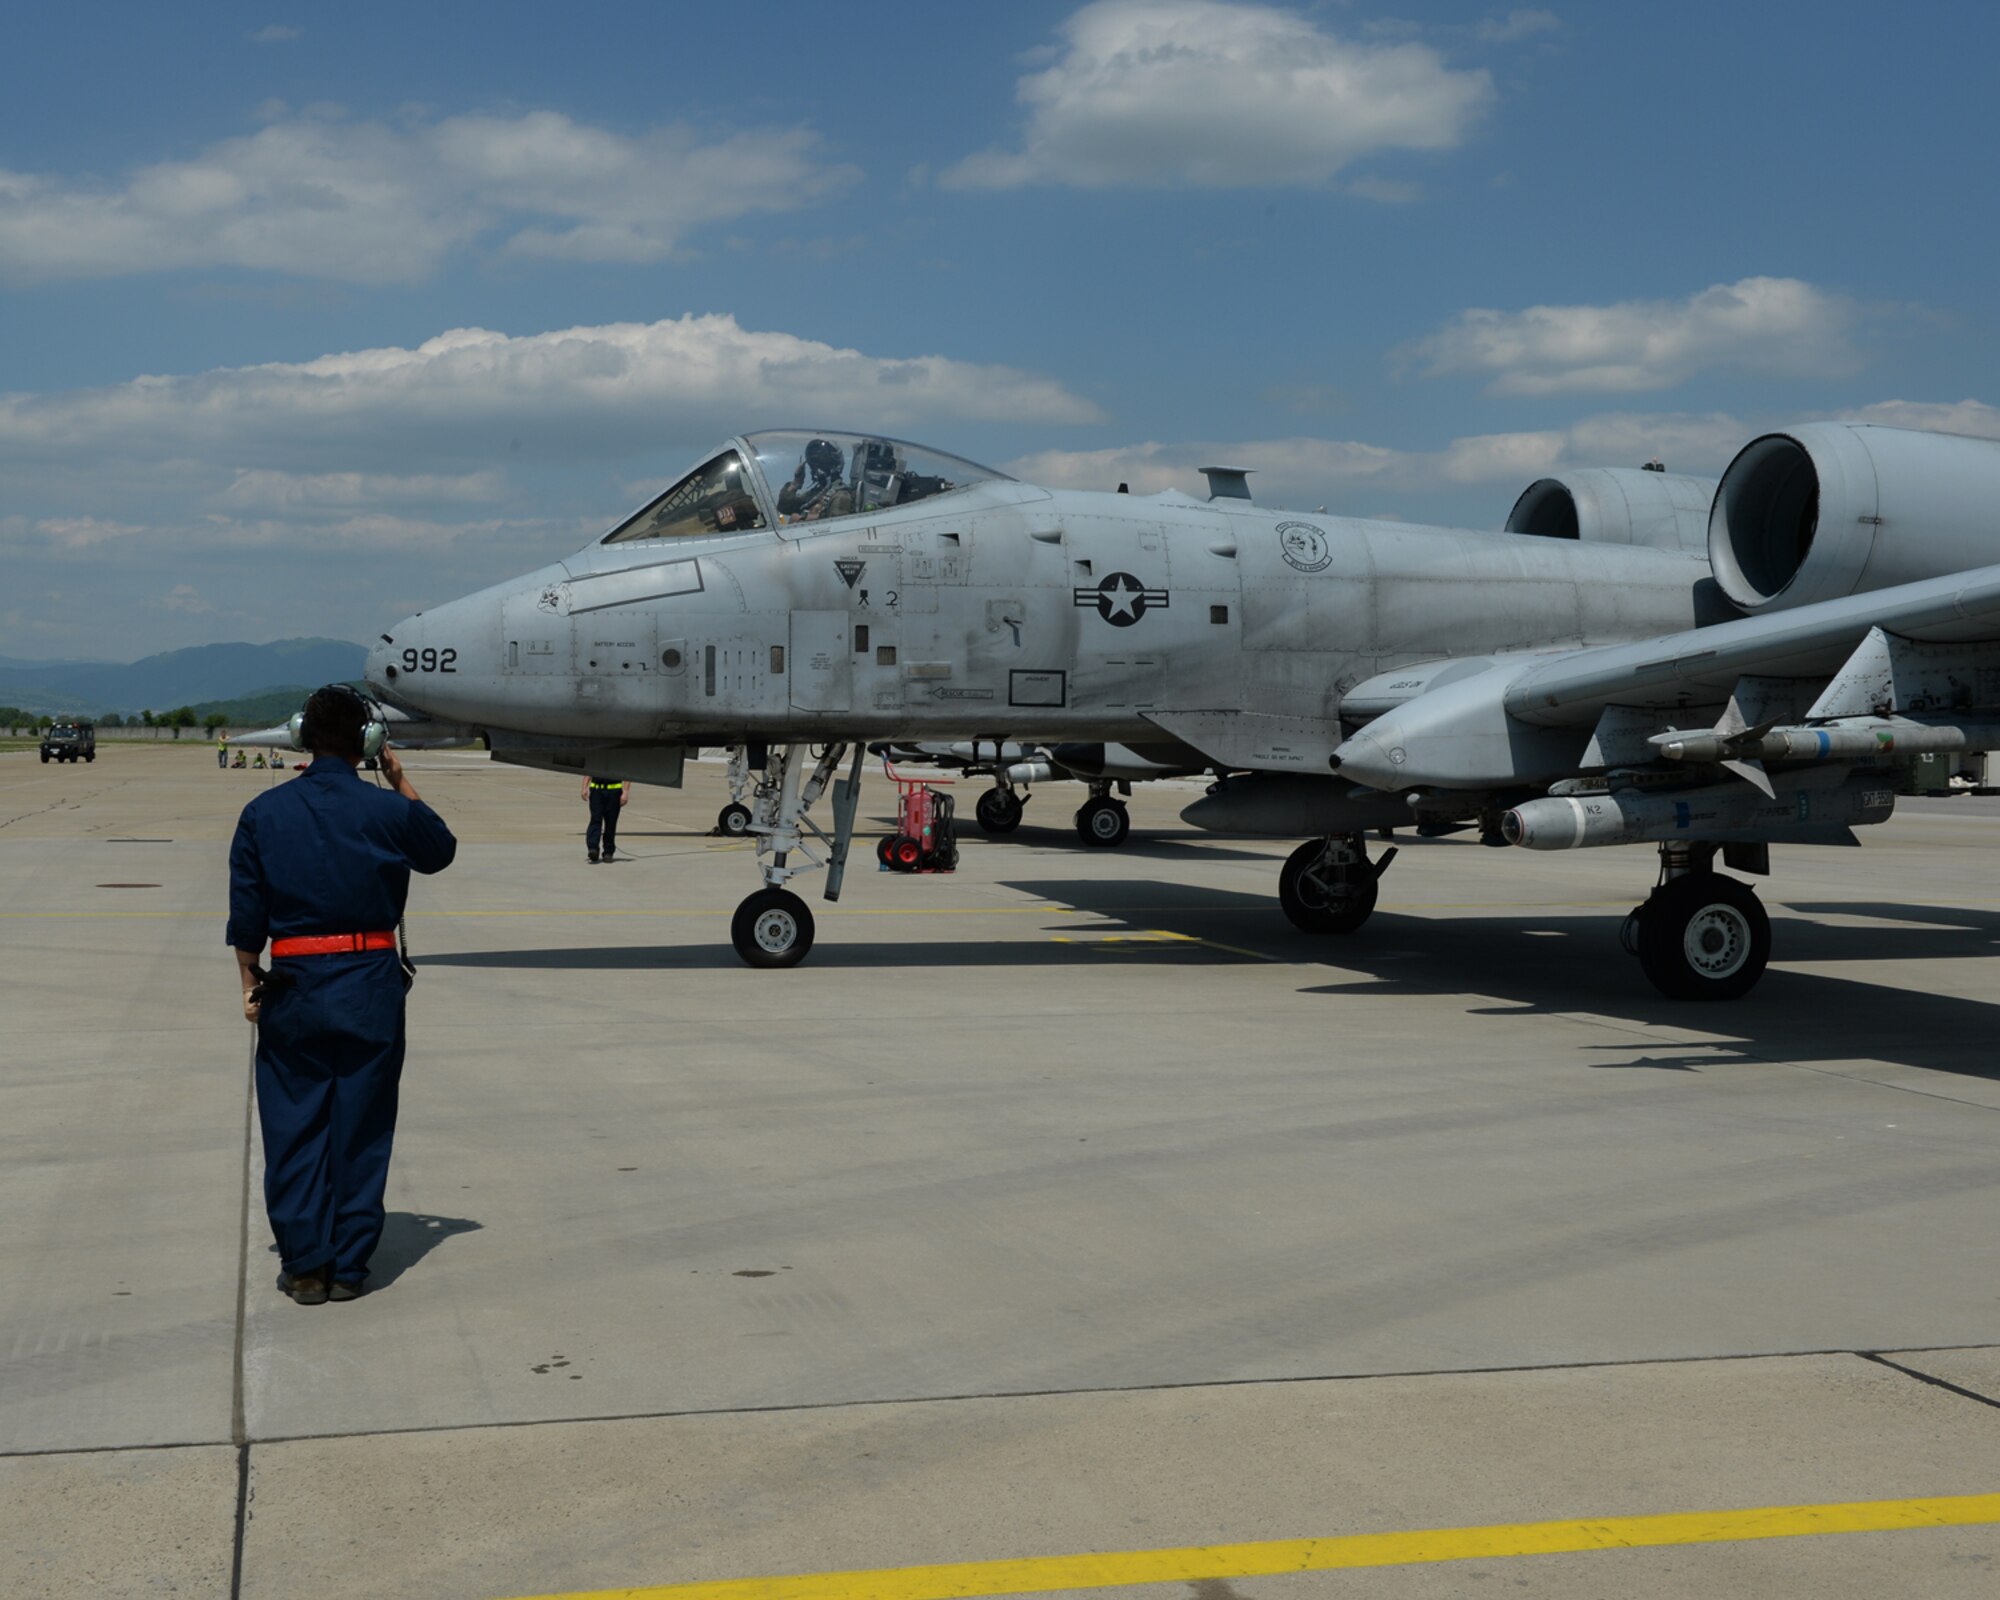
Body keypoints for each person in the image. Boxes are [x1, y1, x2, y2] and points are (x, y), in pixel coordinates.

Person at [227, 685, 456, 1305]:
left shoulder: (263, 814)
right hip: (369, 984)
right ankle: (351, 1265)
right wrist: (400, 779)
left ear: (303, 737)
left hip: (294, 985)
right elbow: (440, 850)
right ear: (368, 742)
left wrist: (251, 985)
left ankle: (305, 1263)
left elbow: (247, 921)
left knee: (294, 1122)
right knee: (362, 1122)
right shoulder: (387, 812)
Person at [582, 775, 629, 863]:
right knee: (596, 819)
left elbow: (627, 772)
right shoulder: (597, 760)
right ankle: (593, 848)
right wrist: (584, 787)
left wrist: (625, 792)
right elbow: (590, 769)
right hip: (597, 790)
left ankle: (608, 852)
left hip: (614, 791)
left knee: (611, 822)